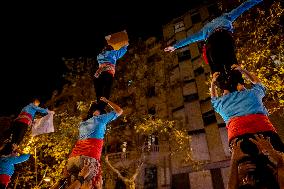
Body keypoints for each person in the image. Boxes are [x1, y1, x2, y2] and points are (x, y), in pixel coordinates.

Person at [165, 0, 263, 90]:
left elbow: (243, 7)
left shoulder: (214, 23)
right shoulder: (219, 20)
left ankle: (233, 87)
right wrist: (175, 46)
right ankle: (231, 88)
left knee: (225, 65)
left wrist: (175, 46)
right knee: (224, 65)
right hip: (218, 38)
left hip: (217, 40)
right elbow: (243, 6)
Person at [210, 64, 284, 156]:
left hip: (242, 134)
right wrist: (243, 70)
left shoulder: (223, 103)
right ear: (240, 86)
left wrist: (213, 83)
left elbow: (213, 99)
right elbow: (257, 82)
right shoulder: (253, 94)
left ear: (225, 91)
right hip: (259, 131)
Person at [66, 97, 123, 187]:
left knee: (76, 184)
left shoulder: (82, 124)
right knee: (91, 185)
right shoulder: (101, 119)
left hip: (72, 160)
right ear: (102, 114)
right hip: (87, 158)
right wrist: (107, 101)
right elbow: (119, 110)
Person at [94, 36, 129, 111]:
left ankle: (99, 103)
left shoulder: (99, 56)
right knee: (107, 88)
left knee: (101, 88)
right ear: (112, 49)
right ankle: (102, 104)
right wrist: (125, 45)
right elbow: (122, 51)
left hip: (100, 74)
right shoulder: (113, 54)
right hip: (108, 73)